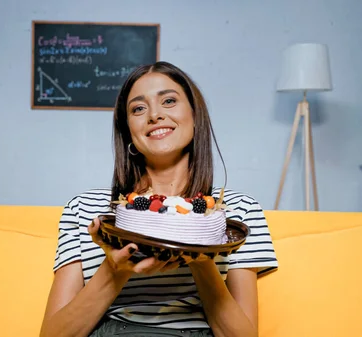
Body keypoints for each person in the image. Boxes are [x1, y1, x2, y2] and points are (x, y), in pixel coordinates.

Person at [40, 61, 278, 337]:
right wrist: (115, 271)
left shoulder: (237, 212)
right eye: (138, 108)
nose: (154, 115)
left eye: (168, 101)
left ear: (195, 115)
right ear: (128, 129)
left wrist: (200, 257)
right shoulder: (85, 210)